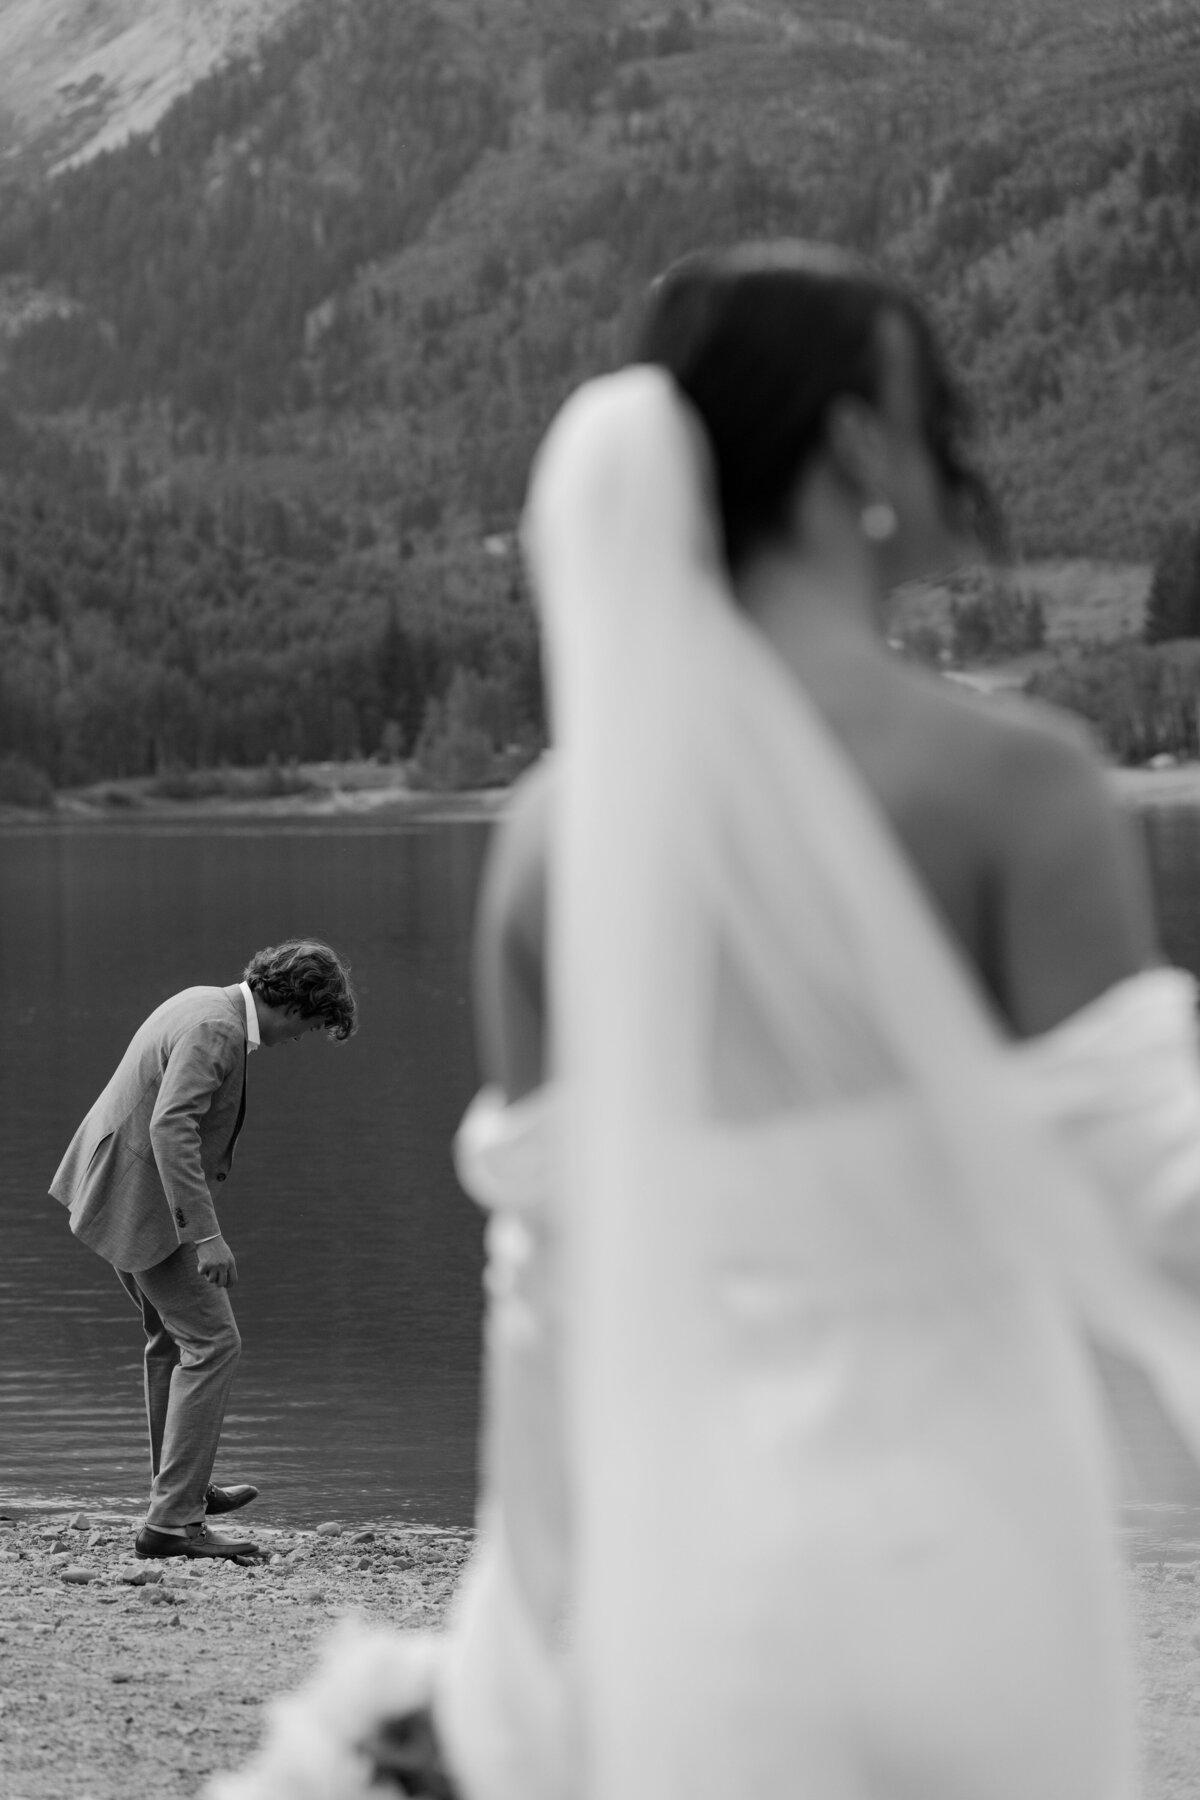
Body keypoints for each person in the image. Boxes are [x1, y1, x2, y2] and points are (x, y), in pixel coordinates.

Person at [210, 244, 1200, 1799]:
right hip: (973, 1579)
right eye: (932, 392)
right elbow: (1175, 1218)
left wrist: (517, 1661)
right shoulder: (1022, 788)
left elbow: (549, 1309)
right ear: (860, 445)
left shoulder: (552, 835)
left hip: (690, 1603)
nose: (962, 434)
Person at [50, 937, 357, 1563]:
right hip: (146, 1203)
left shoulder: (202, 1000)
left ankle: (180, 1489)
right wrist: (205, 1235)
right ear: (291, 1002)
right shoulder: (217, 1029)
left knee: (172, 1339)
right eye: (310, 1024)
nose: (301, 1038)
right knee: (214, 1344)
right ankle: (174, 1522)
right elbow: (172, 1126)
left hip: (117, 1187)